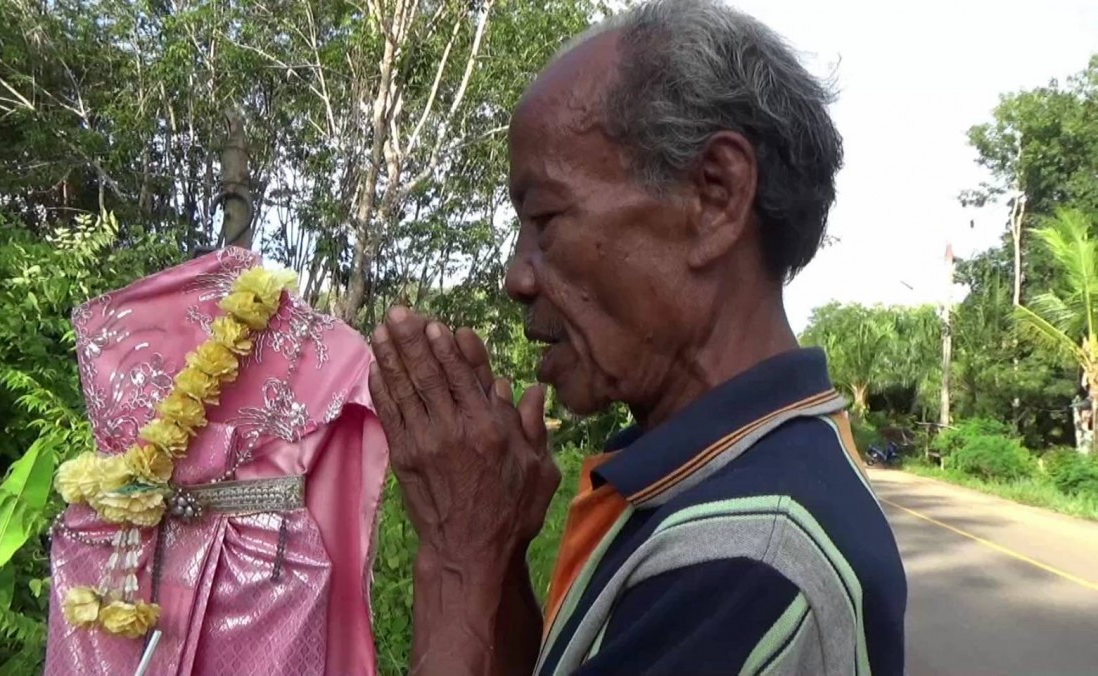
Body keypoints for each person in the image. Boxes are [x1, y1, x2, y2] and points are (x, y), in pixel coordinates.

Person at [367, 0, 906, 674]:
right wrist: (498, 556)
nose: (516, 277)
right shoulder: (705, 477)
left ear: (715, 195)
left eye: (544, 216)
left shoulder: (751, 559)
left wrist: (458, 555)